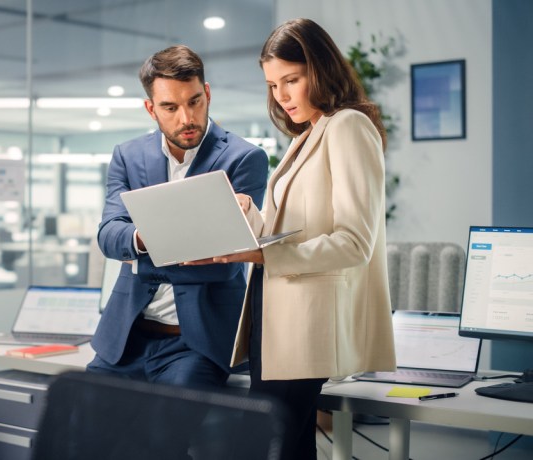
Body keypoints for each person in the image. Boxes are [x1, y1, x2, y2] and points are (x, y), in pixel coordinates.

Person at [185, 18, 396, 459]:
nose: (281, 94)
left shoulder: (347, 127)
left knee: (268, 445)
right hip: (275, 315)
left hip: (306, 323)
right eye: (272, 84)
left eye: (291, 80)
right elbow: (296, 230)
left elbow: (355, 243)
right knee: (290, 448)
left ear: (319, 70)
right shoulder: (306, 135)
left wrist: (262, 257)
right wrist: (250, 217)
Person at [87, 45, 268, 389]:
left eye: (195, 101)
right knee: (79, 434)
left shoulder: (244, 159)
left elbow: (225, 262)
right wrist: (147, 239)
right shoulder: (128, 156)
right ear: (150, 108)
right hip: (125, 339)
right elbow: (109, 237)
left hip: (196, 344)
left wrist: (140, 256)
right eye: (170, 107)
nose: (187, 118)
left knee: (164, 439)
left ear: (208, 93)